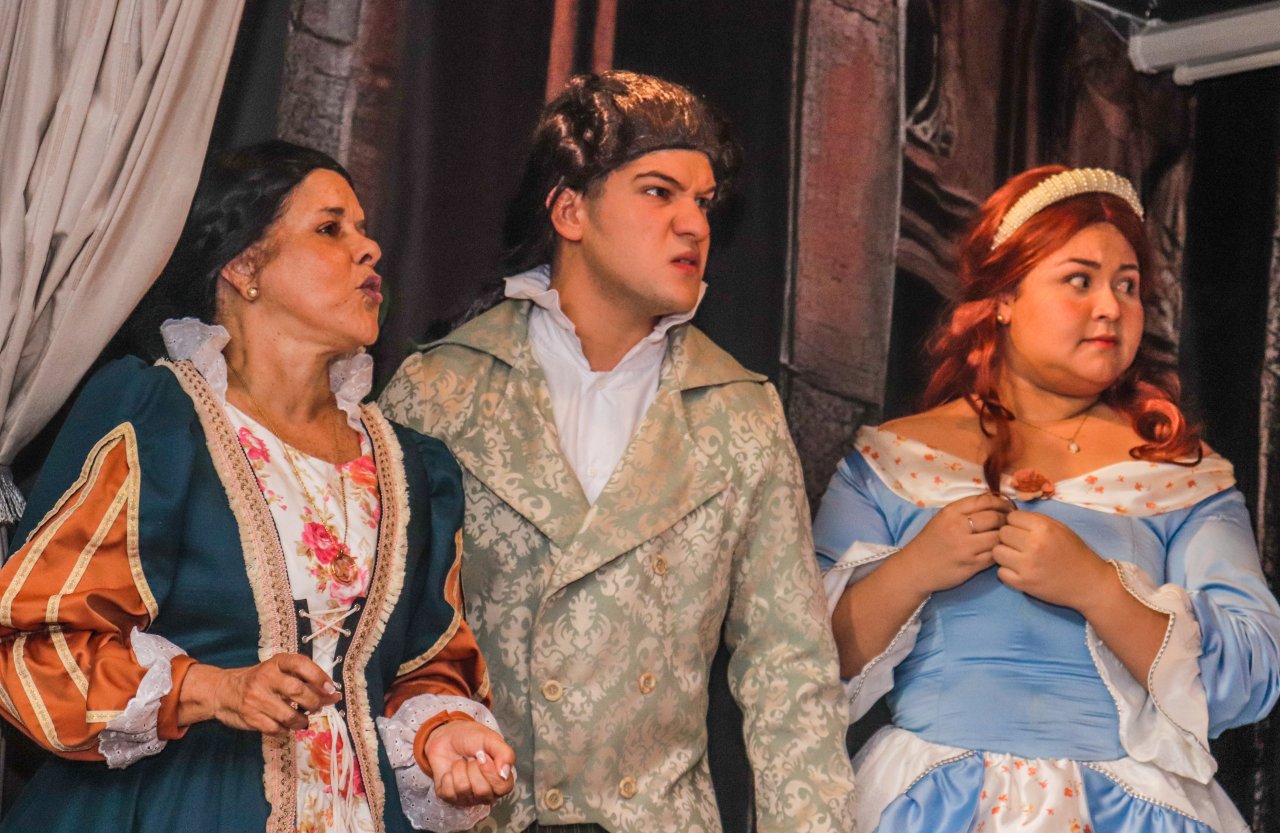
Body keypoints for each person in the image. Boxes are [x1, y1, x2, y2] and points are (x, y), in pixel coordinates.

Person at [379, 71, 856, 833]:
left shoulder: (739, 412)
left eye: (704, 202)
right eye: (659, 192)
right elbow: (379, 639)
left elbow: (788, 671)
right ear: (570, 209)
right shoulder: (441, 390)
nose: (693, 224)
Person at [0, 140, 514, 833]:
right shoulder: (158, 419)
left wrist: (440, 735)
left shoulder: (412, 466)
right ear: (243, 267)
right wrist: (211, 688)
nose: (369, 249)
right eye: (330, 228)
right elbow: (35, 642)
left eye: (364, 230)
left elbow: (425, 666)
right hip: (175, 807)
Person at [814, 164, 1280, 832]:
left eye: (1128, 285)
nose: (1110, 307)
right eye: (1080, 280)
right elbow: (798, 659)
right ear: (1005, 295)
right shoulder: (891, 462)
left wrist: (1098, 588)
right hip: (930, 807)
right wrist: (915, 567)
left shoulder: (1179, 475)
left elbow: (1253, 673)